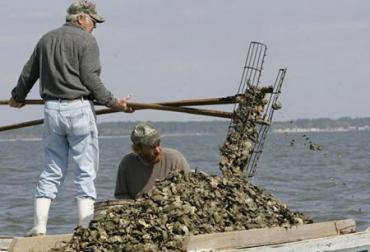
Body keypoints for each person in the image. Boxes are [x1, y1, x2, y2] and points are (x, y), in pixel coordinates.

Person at [8, 0, 133, 236]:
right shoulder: (87, 41)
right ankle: (85, 227)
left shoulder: (46, 39)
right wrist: (114, 103)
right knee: (86, 170)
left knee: (52, 168)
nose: (94, 26)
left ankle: (39, 226)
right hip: (79, 108)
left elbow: (29, 72)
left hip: (52, 110)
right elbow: (90, 79)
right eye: (93, 21)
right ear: (80, 18)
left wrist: (18, 96)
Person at [115, 123, 191, 200]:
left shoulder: (175, 159)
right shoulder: (127, 164)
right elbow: (121, 195)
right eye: (151, 147)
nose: (158, 150)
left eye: (158, 144)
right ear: (138, 149)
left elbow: (190, 187)